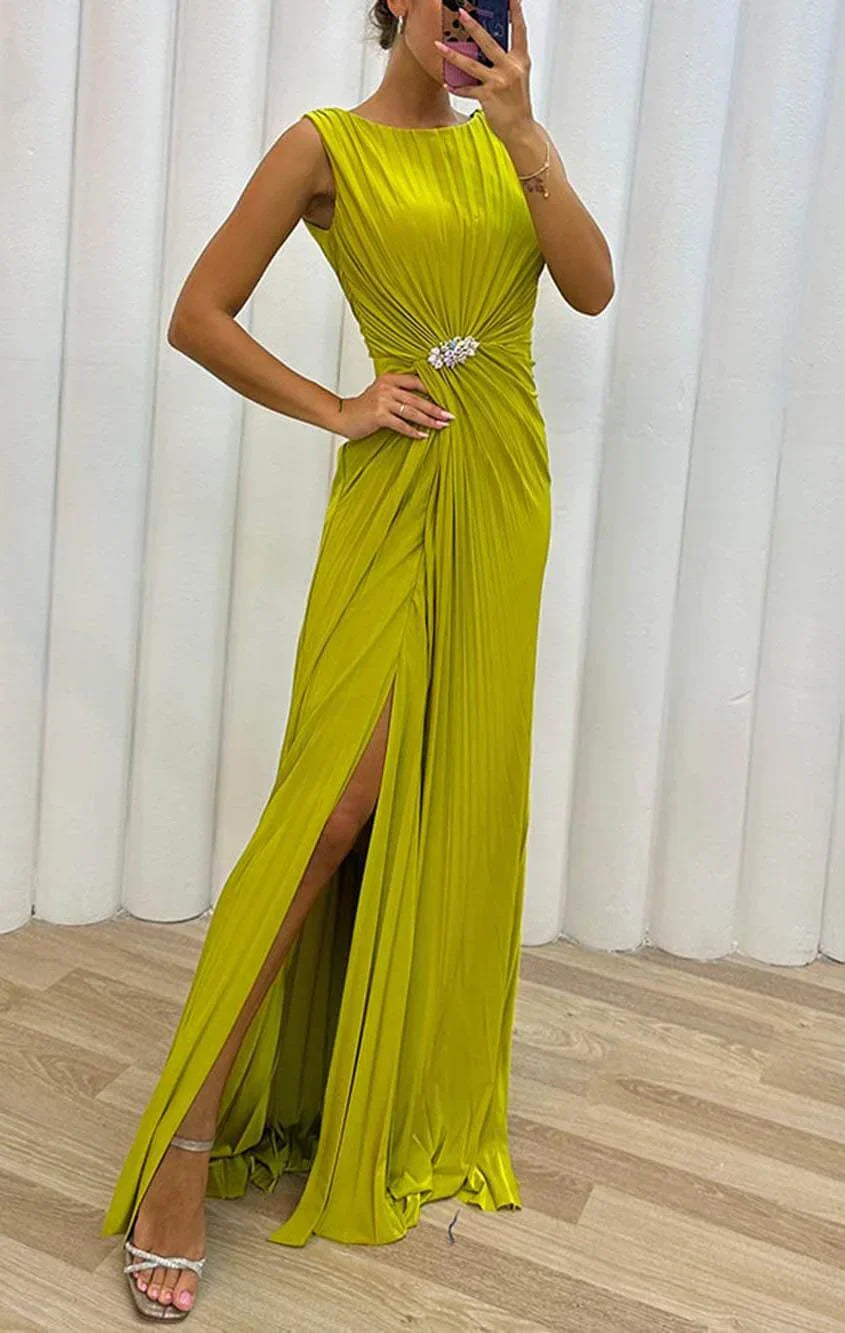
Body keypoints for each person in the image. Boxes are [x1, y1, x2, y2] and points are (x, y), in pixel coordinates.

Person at [104, 0, 614, 1320]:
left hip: (503, 492)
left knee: (443, 800)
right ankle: (184, 1143)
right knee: (334, 808)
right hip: (397, 493)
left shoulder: (508, 142)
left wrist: (524, 130)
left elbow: (591, 286)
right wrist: (338, 404)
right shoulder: (323, 146)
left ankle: (377, 1095)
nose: (470, 9)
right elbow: (198, 314)